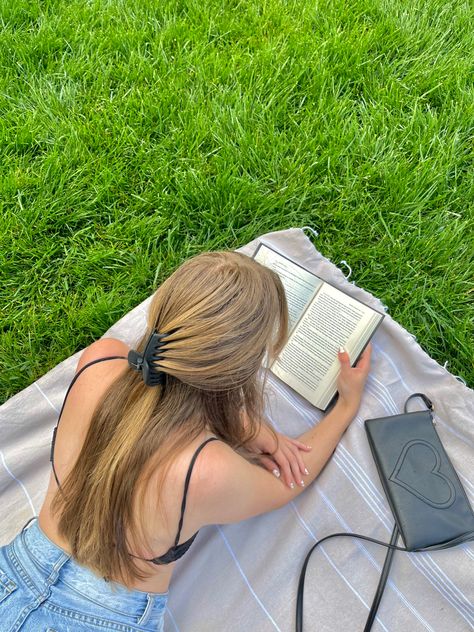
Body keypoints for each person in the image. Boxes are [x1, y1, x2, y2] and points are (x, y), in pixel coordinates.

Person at [0, 250, 371, 631]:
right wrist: (345, 406)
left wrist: (251, 429)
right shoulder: (205, 469)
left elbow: (152, 394)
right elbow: (289, 479)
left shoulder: (99, 360)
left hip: (14, 574)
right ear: (241, 373)